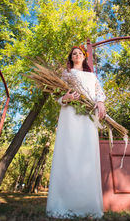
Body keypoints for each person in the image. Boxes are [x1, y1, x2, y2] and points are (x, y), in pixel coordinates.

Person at [46, 45, 106, 219]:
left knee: (87, 154)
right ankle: (63, 203)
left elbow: (99, 93)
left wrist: (100, 103)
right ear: (71, 57)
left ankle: (88, 204)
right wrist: (66, 98)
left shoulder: (91, 75)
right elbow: (56, 95)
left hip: (87, 115)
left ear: (84, 57)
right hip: (70, 115)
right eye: (74, 53)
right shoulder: (66, 74)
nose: (77, 55)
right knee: (68, 153)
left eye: (80, 53)